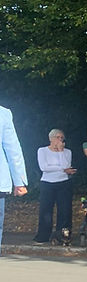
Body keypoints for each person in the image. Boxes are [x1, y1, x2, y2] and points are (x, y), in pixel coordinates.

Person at [33, 128, 76, 245]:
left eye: (62, 138)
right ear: (51, 139)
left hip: (63, 183)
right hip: (47, 183)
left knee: (65, 210)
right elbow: (44, 168)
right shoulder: (42, 151)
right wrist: (62, 169)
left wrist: (61, 152)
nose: (60, 140)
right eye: (58, 137)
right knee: (45, 210)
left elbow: (67, 166)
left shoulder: (67, 152)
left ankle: (63, 235)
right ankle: (43, 236)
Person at [1, 105, 29, 252]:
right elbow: (13, 149)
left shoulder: (3, 113)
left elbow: (13, 149)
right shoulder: (3, 113)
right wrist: (19, 181)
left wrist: (19, 181)